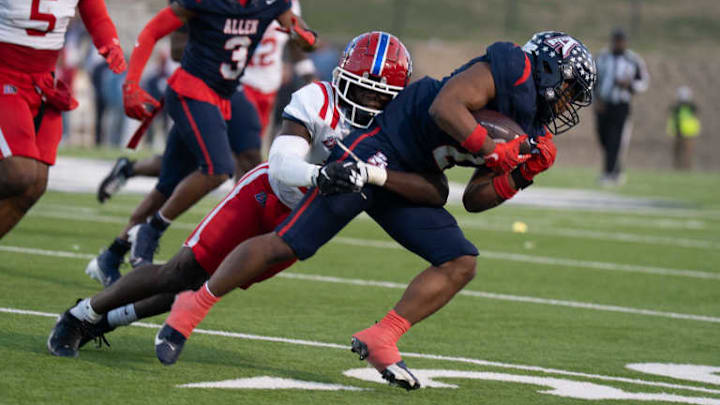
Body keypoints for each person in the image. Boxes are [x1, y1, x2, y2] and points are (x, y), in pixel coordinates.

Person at [154, 31, 596, 390]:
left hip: (417, 179)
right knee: (289, 244)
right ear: (550, 70)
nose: (568, 103)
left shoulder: (533, 129)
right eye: (571, 90)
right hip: (385, 146)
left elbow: (474, 200)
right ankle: (194, 304)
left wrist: (517, 175)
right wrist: (488, 148)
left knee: (461, 261)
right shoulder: (508, 69)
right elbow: (447, 107)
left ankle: (382, 335)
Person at [48, 31, 447, 361]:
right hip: (265, 195)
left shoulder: (393, 127)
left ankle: (105, 321)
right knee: (179, 273)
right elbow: (280, 162)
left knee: (200, 287)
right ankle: (82, 314)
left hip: (305, 222)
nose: (369, 104)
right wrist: (321, 174)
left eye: (380, 98)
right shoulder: (315, 98)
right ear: (342, 77)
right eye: (362, 91)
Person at [82, 0, 318, 287]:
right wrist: (131, 85)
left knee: (173, 181)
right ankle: (152, 229)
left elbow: (303, 37)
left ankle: (113, 253)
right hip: (194, 89)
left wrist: (304, 35)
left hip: (229, 92)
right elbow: (155, 33)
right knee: (217, 169)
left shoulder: (269, 4)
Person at [95, 0, 315, 205]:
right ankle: (236, 218)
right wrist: (216, 40)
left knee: (216, 159)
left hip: (263, 86)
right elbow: (175, 48)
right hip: (219, 85)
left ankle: (131, 171)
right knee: (219, 161)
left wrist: (307, 67)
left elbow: (301, 40)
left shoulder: (282, 4)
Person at [0, 0, 126, 240]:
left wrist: (109, 42)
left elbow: (96, 14)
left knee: (34, 187)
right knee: (20, 173)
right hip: (4, 75)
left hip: (43, 83)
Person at [593, 28, 649, 187]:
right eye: (616, 40)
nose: (619, 44)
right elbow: (592, 81)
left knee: (615, 139)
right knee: (603, 137)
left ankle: (609, 173)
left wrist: (630, 85)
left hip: (621, 105)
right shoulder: (601, 58)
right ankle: (616, 170)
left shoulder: (633, 60)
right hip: (603, 104)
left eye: (621, 41)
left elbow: (643, 82)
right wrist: (595, 100)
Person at [667, 86, 700, 170]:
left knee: (687, 152)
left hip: (689, 133)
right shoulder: (677, 108)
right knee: (677, 152)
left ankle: (687, 169)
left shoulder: (691, 107)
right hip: (678, 132)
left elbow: (695, 109)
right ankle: (677, 168)